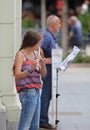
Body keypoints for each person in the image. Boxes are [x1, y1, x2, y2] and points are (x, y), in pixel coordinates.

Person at [13, 30, 47, 130]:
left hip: (36, 91)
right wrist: (29, 69)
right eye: (39, 43)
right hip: (27, 92)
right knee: (25, 125)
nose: (40, 45)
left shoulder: (36, 53)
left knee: (35, 126)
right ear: (32, 43)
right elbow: (17, 75)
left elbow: (43, 75)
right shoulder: (21, 55)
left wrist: (43, 65)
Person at [40, 15, 62, 129]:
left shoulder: (50, 36)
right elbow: (39, 49)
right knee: (45, 95)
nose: (60, 25)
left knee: (47, 95)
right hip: (47, 71)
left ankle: (43, 119)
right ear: (53, 24)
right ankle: (43, 121)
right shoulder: (47, 37)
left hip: (50, 71)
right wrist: (45, 60)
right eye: (59, 23)